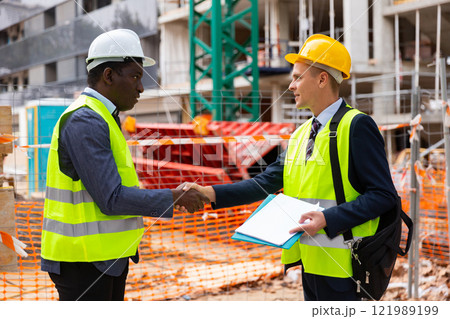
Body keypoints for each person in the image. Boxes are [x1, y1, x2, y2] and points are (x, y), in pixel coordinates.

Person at [178, 34, 398, 301]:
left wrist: (328, 220)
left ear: (322, 79)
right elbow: (266, 181)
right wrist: (210, 193)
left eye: (297, 77)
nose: (291, 86)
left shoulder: (357, 126)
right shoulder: (301, 134)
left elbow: (383, 196)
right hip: (311, 263)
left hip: (347, 268)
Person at [41, 29, 209, 301]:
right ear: (108, 75)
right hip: (84, 261)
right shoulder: (86, 120)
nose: (141, 87)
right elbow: (111, 198)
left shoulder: (104, 117)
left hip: (102, 257)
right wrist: (174, 196)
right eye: (135, 76)